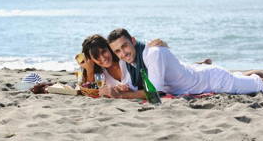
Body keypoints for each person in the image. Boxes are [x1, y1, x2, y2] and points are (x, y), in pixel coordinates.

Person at [104, 28, 263, 98]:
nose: (123, 53)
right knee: (244, 76)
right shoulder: (128, 61)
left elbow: (155, 91)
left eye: (125, 47)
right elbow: (131, 85)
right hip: (200, 72)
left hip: (212, 81)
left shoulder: (152, 53)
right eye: (118, 51)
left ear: (132, 41)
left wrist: (124, 95)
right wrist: (119, 89)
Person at [80, 34, 212, 99]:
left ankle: (199, 63)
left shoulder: (123, 59)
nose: (102, 58)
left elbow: (139, 49)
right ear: (91, 59)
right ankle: (199, 64)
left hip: (156, 76)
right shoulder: (99, 73)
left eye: (104, 51)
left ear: (109, 48)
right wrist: (90, 68)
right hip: (151, 83)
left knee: (183, 68)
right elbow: (90, 89)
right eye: (96, 57)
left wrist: (157, 44)